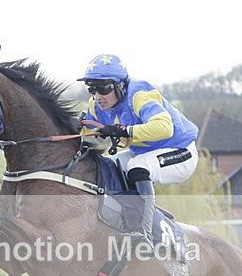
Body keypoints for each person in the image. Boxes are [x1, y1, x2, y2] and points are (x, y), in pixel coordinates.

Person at [78, 54, 199, 245]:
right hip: (144, 153)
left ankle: (145, 231)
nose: (98, 96)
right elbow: (85, 130)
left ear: (121, 86)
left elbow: (164, 128)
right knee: (109, 165)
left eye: (104, 88)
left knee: (137, 167)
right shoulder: (98, 105)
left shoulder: (140, 96)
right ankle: (125, 215)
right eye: (92, 89)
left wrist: (124, 131)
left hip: (181, 151)